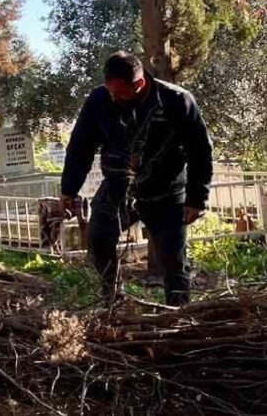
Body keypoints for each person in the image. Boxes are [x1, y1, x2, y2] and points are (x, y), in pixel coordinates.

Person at [60, 51, 213, 306]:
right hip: (117, 188)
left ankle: (179, 315)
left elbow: (201, 151)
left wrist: (197, 199)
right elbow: (80, 147)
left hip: (166, 192)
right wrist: (69, 189)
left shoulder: (176, 101)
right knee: (98, 239)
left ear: (139, 84)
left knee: (173, 260)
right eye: (110, 90)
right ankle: (113, 301)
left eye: (119, 93)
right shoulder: (99, 100)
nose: (113, 97)